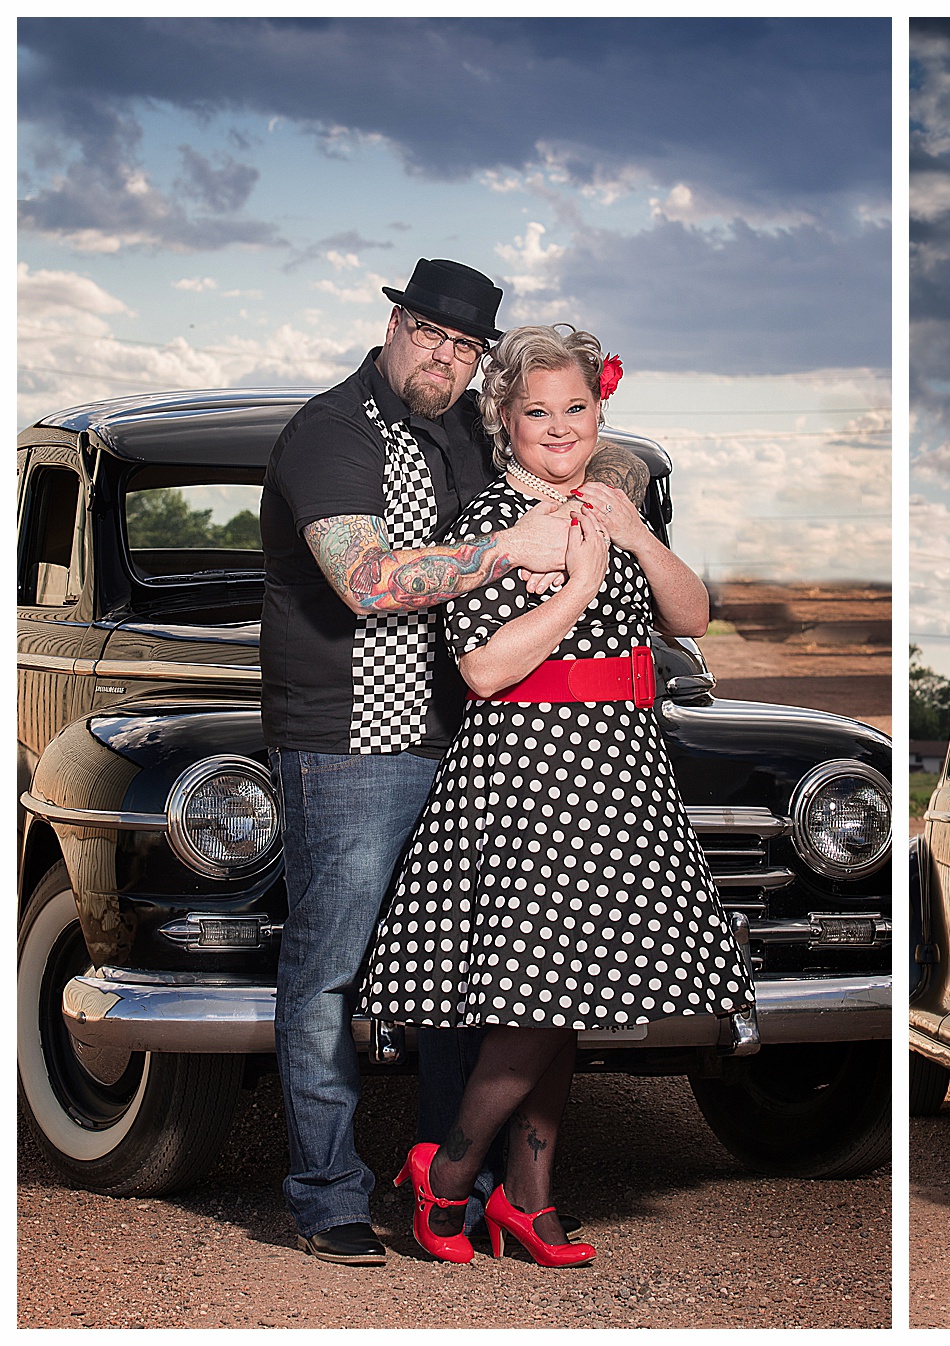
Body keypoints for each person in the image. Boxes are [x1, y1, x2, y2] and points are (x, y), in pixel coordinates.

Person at [360, 324, 756, 1267]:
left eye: (574, 407)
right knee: (535, 996)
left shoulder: (615, 504)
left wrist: (632, 537)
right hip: (527, 769)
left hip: (621, 766)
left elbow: (693, 617)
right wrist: (576, 588)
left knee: (570, 994)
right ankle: (448, 1174)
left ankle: (529, 1201)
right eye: (536, 410)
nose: (558, 426)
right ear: (503, 418)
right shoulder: (490, 523)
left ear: (599, 410)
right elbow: (485, 669)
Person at [261, 259, 574, 1267]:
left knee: (456, 976)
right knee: (329, 977)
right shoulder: (331, 431)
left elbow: (544, 478)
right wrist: (508, 551)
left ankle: (457, 1184)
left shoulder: (460, 439)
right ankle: (326, 1193)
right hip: (347, 748)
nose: (445, 356)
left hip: (462, 748)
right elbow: (367, 581)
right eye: (431, 334)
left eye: (467, 345)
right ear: (395, 324)